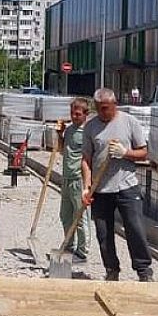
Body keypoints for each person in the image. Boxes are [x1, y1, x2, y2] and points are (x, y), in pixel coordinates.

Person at [82, 87, 154, 282]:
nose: (102, 112)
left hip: (126, 187)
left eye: (105, 108)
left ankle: (144, 271)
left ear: (114, 105)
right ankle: (111, 269)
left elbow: (144, 152)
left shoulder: (129, 122)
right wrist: (86, 187)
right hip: (101, 189)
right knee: (103, 234)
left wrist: (125, 153)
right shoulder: (90, 127)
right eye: (98, 109)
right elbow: (86, 160)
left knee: (135, 229)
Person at [58, 99, 92, 263]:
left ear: (86, 114)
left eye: (78, 114)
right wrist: (59, 134)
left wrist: (87, 185)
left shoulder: (88, 133)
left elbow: (90, 159)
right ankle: (69, 244)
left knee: (80, 217)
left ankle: (82, 251)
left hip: (79, 179)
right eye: (72, 113)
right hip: (66, 177)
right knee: (65, 215)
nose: (74, 117)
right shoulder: (70, 130)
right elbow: (61, 150)